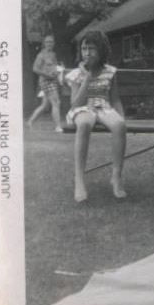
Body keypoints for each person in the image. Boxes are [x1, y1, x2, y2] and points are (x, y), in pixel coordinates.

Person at [63, 31, 126, 202]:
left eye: (92, 48)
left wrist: (122, 118)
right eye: (84, 48)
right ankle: (79, 179)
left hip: (103, 107)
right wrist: (87, 78)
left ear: (102, 50)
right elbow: (75, 103)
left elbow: (115, 99)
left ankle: (116, 176)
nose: (87, 53)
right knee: (84, 123)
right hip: (82, 108)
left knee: (119, 124)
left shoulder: (111, 72)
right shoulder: (76, 74)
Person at [27, 35, 65, 132]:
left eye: (51, 42)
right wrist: (47, 75)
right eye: (47, 42)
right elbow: (35, 69)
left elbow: (54, 67)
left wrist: (60, 68)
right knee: (56, 102)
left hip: (52, 80)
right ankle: (58, 127)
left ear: (53, 43)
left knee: (44, 106)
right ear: (44, 43)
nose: (49, 44)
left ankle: (30, 122)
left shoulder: (53, 54)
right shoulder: (41, 55)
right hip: (45, 81)